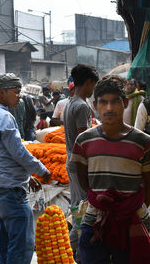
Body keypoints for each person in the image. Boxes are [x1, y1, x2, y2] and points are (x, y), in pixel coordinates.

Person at [71, 75, 150, 264]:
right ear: (95, 106)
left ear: (125, 103)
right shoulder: (83, 141)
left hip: (134, 218)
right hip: (96, 218)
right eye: (103, 102)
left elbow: (149, 185)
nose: (109, 108)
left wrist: (130, 206)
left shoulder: (143, 142)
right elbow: (84, 181)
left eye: (115, 102)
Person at [0, 73, 50, 264]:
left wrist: (26, 175)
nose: (19, 97)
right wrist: (41, 170)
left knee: (8, 241)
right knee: (23, 242)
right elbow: (18, 152)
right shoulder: (4, 117)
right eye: (16, 93)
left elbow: (4, 154)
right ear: (2, 93)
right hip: (10, 189)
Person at [63, 64, 99, 261]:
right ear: (87, 83)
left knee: (78, 206)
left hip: (71, 161)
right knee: (83, 208)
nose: (93, 90)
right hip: (80, 163)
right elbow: (85, 141)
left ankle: (71, 249)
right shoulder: (82, 106)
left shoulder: (70, 102)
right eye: (93, 85)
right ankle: (72, 250)